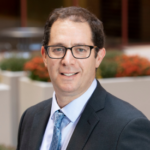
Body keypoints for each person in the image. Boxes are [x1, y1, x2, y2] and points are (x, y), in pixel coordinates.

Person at [17, 7, 150, 150]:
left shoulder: (128, 128)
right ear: (44, 55)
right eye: (58, 49)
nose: (67, 61)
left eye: (80, 50)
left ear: (98, 57)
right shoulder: (30, 118)